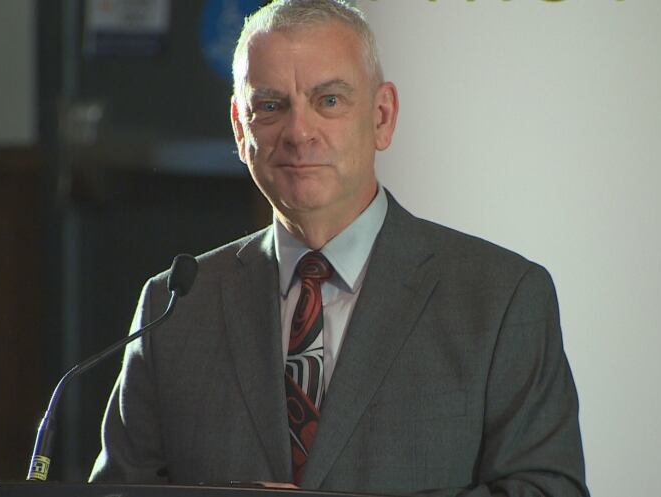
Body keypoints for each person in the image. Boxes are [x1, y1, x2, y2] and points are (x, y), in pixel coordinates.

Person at [89, 1, 589, 496]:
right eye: (270, 105)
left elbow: (548, 491)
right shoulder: (173, 307)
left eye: (329, 101)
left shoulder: (502, 298)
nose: (298, 132)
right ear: (241, 131)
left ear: (382, 117)